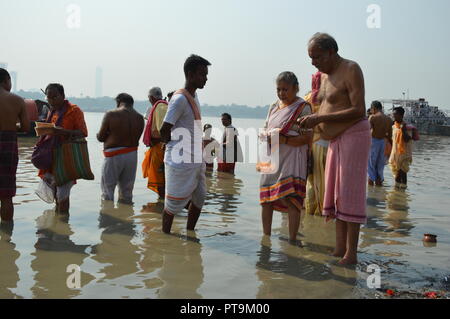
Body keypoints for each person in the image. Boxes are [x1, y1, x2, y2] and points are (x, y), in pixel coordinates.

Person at [300, 33, 371, 265]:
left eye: (317, 56)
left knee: (350, 193)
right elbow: (326, 107)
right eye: (311, 58)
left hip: (354, 135)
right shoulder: (324, 77)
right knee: (337, 192)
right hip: (334, 139)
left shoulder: (351, 69)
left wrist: (318, 118)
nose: (313, 62)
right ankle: (340, 247)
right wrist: (312, 120)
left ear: (331, 52)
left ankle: (352, 253)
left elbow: (359, 109)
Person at [159, 54, 211, 234]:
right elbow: (164, 130)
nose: (205, 78)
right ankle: (165, 236)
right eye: (202, 74)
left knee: (200, 198)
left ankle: (190, 233)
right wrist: (173, 145)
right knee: (172, 205)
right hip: (179, 161)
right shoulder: (179, 99)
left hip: (196, 160)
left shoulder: (194, 96)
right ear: (190, 74)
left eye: (206, 74)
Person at [258, 71, 312, 244]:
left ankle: (293, 240)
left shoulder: (303, 107)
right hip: (271, 156)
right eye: (279, 89)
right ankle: (265, 238)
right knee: (266, 199)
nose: (281, 93)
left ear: (296, 88)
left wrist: (285, 139)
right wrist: (267, 135)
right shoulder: (274, 106)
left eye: (285, 89)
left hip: (292, 158)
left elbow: (308, 137)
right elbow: (265, 127)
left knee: (292, 200)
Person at [38, 83, 88, 214]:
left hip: (67, 156)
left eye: (54, 97)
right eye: (48, 97)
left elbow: (83, 132)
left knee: (62, 195)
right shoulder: (52, 111)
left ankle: (63, 223)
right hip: (51, 156)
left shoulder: (74, 110)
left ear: (63, 96)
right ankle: (58, 222)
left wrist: (64, 132)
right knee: (54, 191)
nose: (51, 100)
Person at [97, 93, 144, 204]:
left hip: (114, 155)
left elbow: (101, 137)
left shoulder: (111, 114)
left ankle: (108, 218)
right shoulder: (139, 117)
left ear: (118, 102)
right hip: (132, 155)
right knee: (127, 192)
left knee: (107, 191)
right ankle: (126, 218)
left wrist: (99, 135)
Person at [0, 68, 30, 222]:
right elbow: (25, 127)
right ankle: (6, 237)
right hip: (7, 145)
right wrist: (11, 125)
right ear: (6, 80)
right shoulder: (17, 100)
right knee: (6, 195)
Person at [303, 71, 329, 217]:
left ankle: (310, 211)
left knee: (311, 180)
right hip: (327, 144)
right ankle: (321, 210)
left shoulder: (307, 99)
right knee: (324, 181)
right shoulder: (331, 99)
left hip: (310, 143)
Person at [142, 87, 169, 198]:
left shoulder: (161, 107)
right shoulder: (160, 106)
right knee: (161, 178)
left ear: (151, 97)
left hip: (160, 147)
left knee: (160, 178)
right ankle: (162, 203)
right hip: (158, 146)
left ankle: (163, 201)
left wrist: (156, 141)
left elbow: (163, 130)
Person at [368, 101, 393, 186]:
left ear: (373, 108)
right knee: (380, 167)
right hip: (383, 142)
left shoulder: (372, 117)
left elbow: (367, 133)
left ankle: (372, 193)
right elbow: (390, 135)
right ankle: (379, 190)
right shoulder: (389, 119)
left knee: (371, 167)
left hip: (373, 142)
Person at [389, 107, 413, 189]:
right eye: (393, 114)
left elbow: (407, 139)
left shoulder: (407, 127)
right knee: (397, 176)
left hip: (404, 155)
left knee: (403, 174)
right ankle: (397, 195)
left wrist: (403, 130)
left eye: (395, 114)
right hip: (395, 154)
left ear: (401, 115)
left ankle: (403, 194)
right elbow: (392, 139)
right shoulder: (394, 126)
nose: (393, 116)